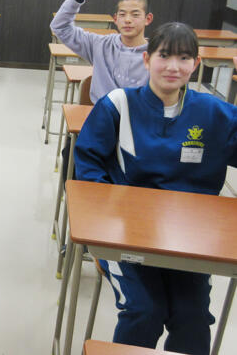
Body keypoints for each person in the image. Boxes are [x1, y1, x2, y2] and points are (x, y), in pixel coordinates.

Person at [74, 22, 237, 355]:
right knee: (144, 312)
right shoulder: (117, 105)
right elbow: (87, 168)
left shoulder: (216, 114)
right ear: (147, 60)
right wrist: (106, 224)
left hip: (191, 243)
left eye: (184, 58)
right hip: (126, 240)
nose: (173, 67)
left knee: (192, 319)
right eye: (165, 56)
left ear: (196, 64)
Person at [50, 0, 153, 104]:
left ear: (148, 19)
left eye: (135, 14)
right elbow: (59, 27)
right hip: (101, 116)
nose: (127, 20)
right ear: (115, 19)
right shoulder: (100, 45)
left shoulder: (156, 55)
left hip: (138, 119)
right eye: (122, 14)